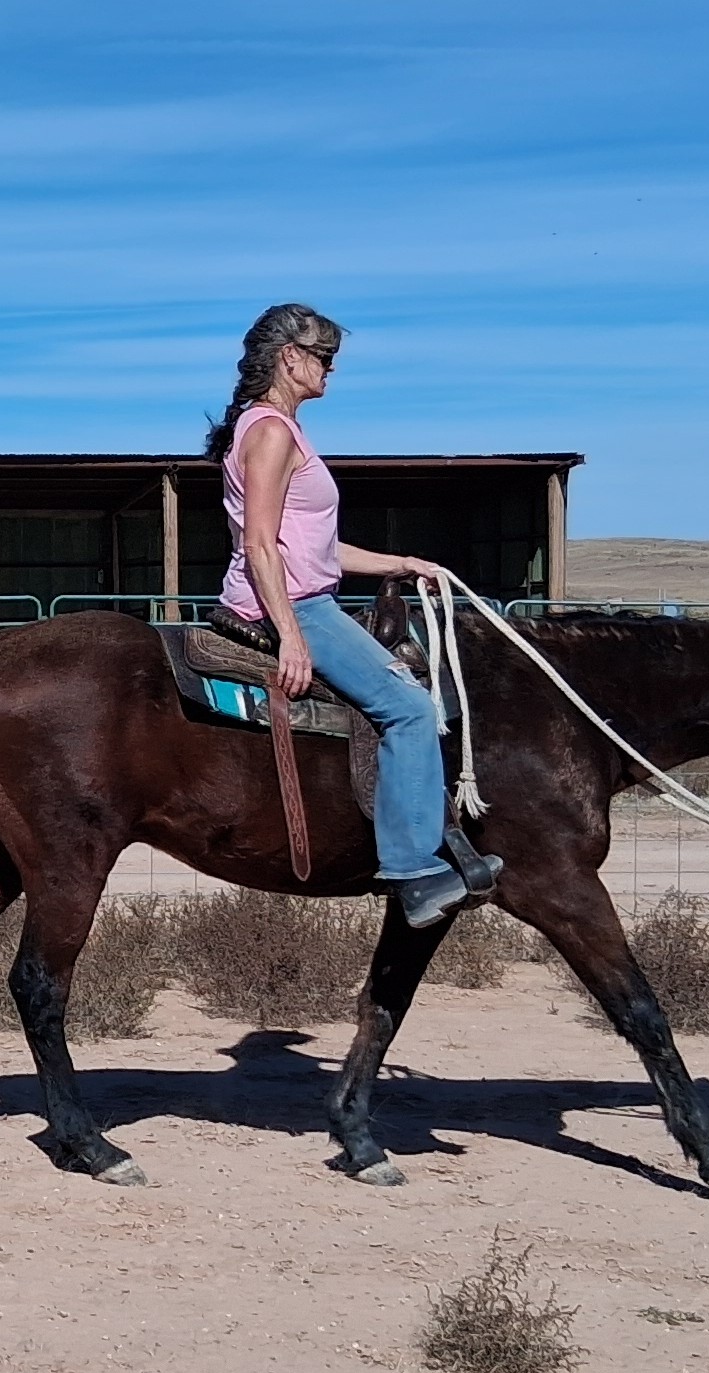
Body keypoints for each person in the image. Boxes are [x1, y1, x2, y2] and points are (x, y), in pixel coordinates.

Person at [205, 303, 500, 928]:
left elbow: (312, 546)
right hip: (292, 605)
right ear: (290, 358)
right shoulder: (271, 433)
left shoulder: (277, 430)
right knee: (409, 708)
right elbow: (259, 544)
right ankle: (414, 870)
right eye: (324, 358)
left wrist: (402, 562)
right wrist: (289, 635)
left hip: (303, 592)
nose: (329, 371)